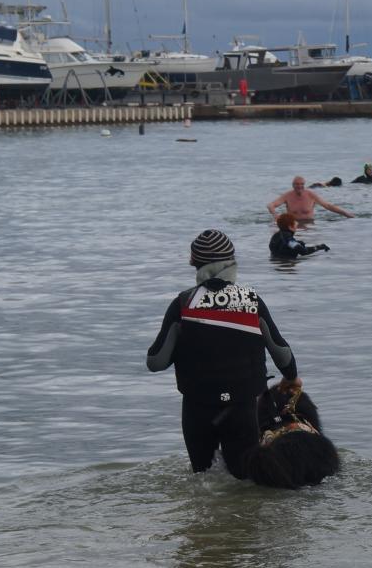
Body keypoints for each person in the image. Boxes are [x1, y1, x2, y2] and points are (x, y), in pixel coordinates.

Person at [146, 229, 300, 478]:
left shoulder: (183, 303)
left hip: (198, 406)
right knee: (244, 479)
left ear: (194, 263)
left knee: (202, 479)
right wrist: (291, 378)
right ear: (231, 262)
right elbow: (281, 353)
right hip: (242, 407)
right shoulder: (250, 301)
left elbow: (155, 362)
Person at [267, 176, 355, 222]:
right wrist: (275, 216)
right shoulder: (287, 195)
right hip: (293, 226)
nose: (299, 186)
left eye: (301, 184)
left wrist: (346, 213)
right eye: (297, 184)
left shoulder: (311, 195)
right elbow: (271, 205)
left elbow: (328, 206)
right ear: (293, 185)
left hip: (309, 225)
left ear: (304, 185)